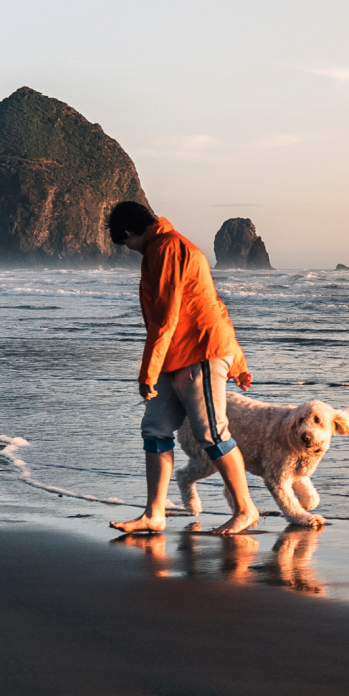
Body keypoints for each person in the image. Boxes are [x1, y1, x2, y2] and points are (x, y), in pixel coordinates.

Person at [102, 201, 272, 535]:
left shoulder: (168, 249)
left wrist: (147, 372)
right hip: (177, 354)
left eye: (126, 245)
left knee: (211, 432)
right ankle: (154, 513)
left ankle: (245, 509)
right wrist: (237, 361)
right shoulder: (161, 247)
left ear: (128, 233)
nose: (130, 251)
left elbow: (167, 318)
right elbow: (214, 303)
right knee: (155, 429)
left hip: (201, 352)